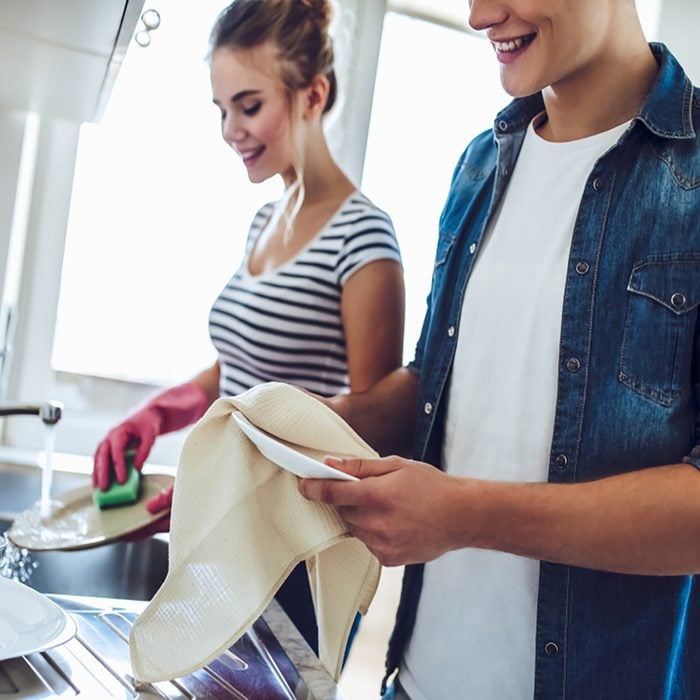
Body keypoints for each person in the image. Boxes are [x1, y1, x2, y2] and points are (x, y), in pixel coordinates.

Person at [299, 0, 700, 697]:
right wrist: (311, 423)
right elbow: (436, 385)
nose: (481, 15)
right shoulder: (480, 166)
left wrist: (463, 515)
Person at [92, 0, 405, 656]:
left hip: (290, 559)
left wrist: (227, 482)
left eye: (248, 104)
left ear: (312, 94)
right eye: (221, 109)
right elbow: (234, 372)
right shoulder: (265, 222)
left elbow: (364, 435)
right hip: (231, 543)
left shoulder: (363, 237)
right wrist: (156, 415)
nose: (231, 128)